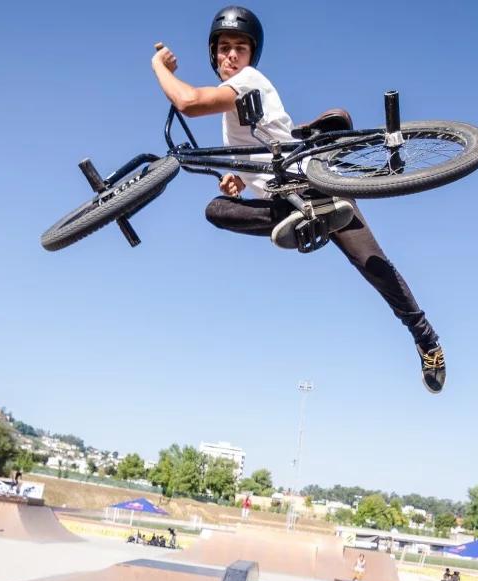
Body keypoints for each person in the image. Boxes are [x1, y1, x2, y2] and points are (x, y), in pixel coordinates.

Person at [150, 6, 447, 393]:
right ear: (214, 55)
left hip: (319, 188)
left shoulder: (250, 80)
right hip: (284, 201)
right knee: (215, 210)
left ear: (251, 56)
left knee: (373, 264)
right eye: (225, 49)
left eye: (241, 48)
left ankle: (428, 341)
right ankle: (303, 220)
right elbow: (251, 157)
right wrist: (236, 178)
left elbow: (188, 102)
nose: (232, 56)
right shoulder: (231, 124)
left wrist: (161, 68)